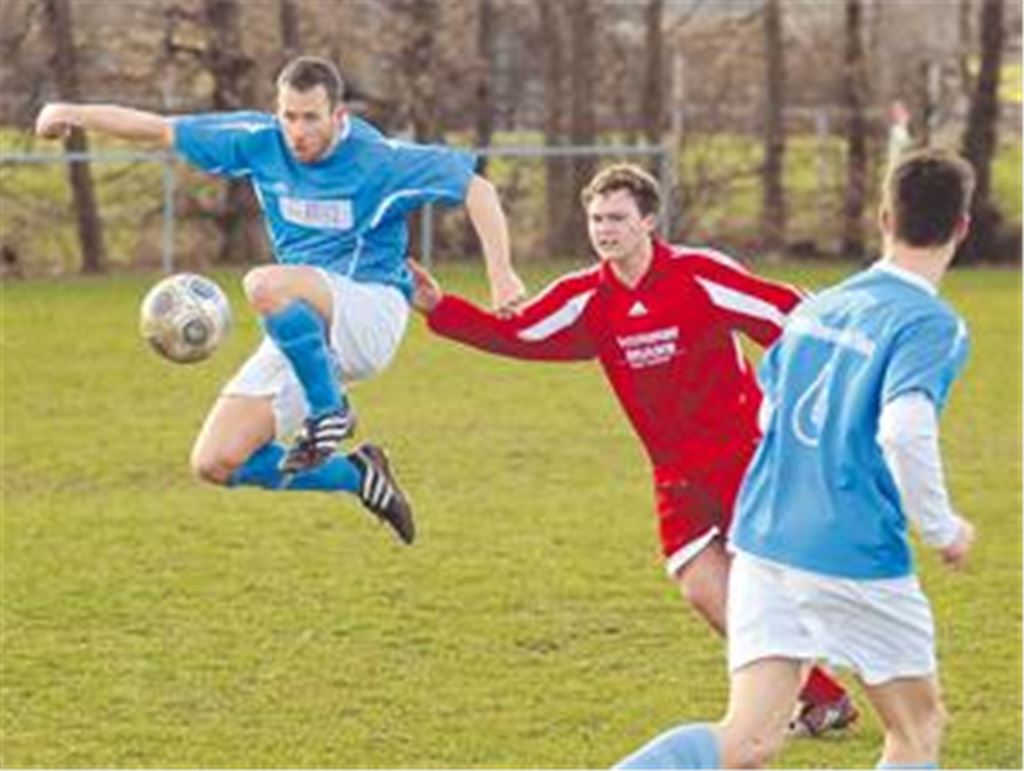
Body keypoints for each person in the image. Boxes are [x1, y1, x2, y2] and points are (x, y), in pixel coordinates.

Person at [409, 163, 856, 734]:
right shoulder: (586, 297)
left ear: (648, 220)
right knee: (704, 590)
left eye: (617, 218)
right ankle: (824, 696)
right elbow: (522, 333)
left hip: (747, 459)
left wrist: (834, 382)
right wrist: (439, 309)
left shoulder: (697, 274)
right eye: (596, 219)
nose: (604, 229)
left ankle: (870, 682)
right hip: (675, 475)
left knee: (773, 590)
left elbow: (786, 317)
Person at [35, 55, 525, 545]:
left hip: (369, 310)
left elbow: (475, 187)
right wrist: (70, 111)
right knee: (218, 460)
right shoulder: (260, 141)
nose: (297, 131)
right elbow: (159, 128)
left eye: (311, 117)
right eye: (288, 116)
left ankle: (329, 411)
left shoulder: (379, 160)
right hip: (301, 326)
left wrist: (500, 273)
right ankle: (358, 476)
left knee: (263, 284)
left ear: (339, 116)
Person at [614, 148, 977, 769]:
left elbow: (767, 413)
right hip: (852, 550)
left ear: (884, 216)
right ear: (962, 228)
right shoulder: (930, 323)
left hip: (763, 542)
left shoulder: (821, 307)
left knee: (748, 739)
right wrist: (943, 527)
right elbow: (905, 430)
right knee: (916, 731)